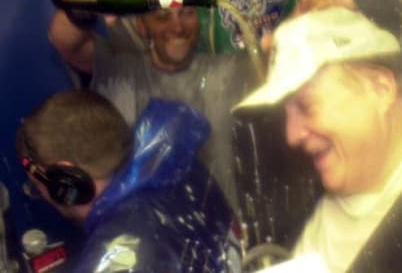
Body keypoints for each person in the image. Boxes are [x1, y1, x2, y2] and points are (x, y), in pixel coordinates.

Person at [234, 2, 402, 271]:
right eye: (286, 114)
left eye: (306, 106)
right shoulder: (314, 177)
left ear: (381, 88)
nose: (292, 135)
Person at [48, 0, 256, 210]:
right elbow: (66, 42)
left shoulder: (228, 70)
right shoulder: (119, 71)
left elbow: (275, 68)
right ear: (142, 27)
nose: (177, 26)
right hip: (143, 236)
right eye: (162, 16)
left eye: (186, 13)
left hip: (224, 232)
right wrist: (85, 0)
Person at [16, 90, 238, 272]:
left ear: (64, 182)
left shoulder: (121, 251)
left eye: (38, 188)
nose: (43, 197)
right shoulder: (179, 171)